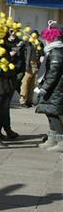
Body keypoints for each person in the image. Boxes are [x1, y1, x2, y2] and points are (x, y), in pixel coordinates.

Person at [36, 23, 63, 151]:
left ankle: (61, 142)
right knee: (49, 111)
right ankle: (52, 139)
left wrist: (45, 87)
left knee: (53, 113)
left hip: (55, 88)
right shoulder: (52, 50)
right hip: (54, 88)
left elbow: (54, 72)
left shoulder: (56, 52)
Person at [20, 31, 42, 107]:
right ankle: (23, 100)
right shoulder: (27, 43)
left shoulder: (39, 43)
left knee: (33, 83)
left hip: (36, 63)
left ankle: (29, 100)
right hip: (29, 63)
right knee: (25, 82)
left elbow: (42, 53)